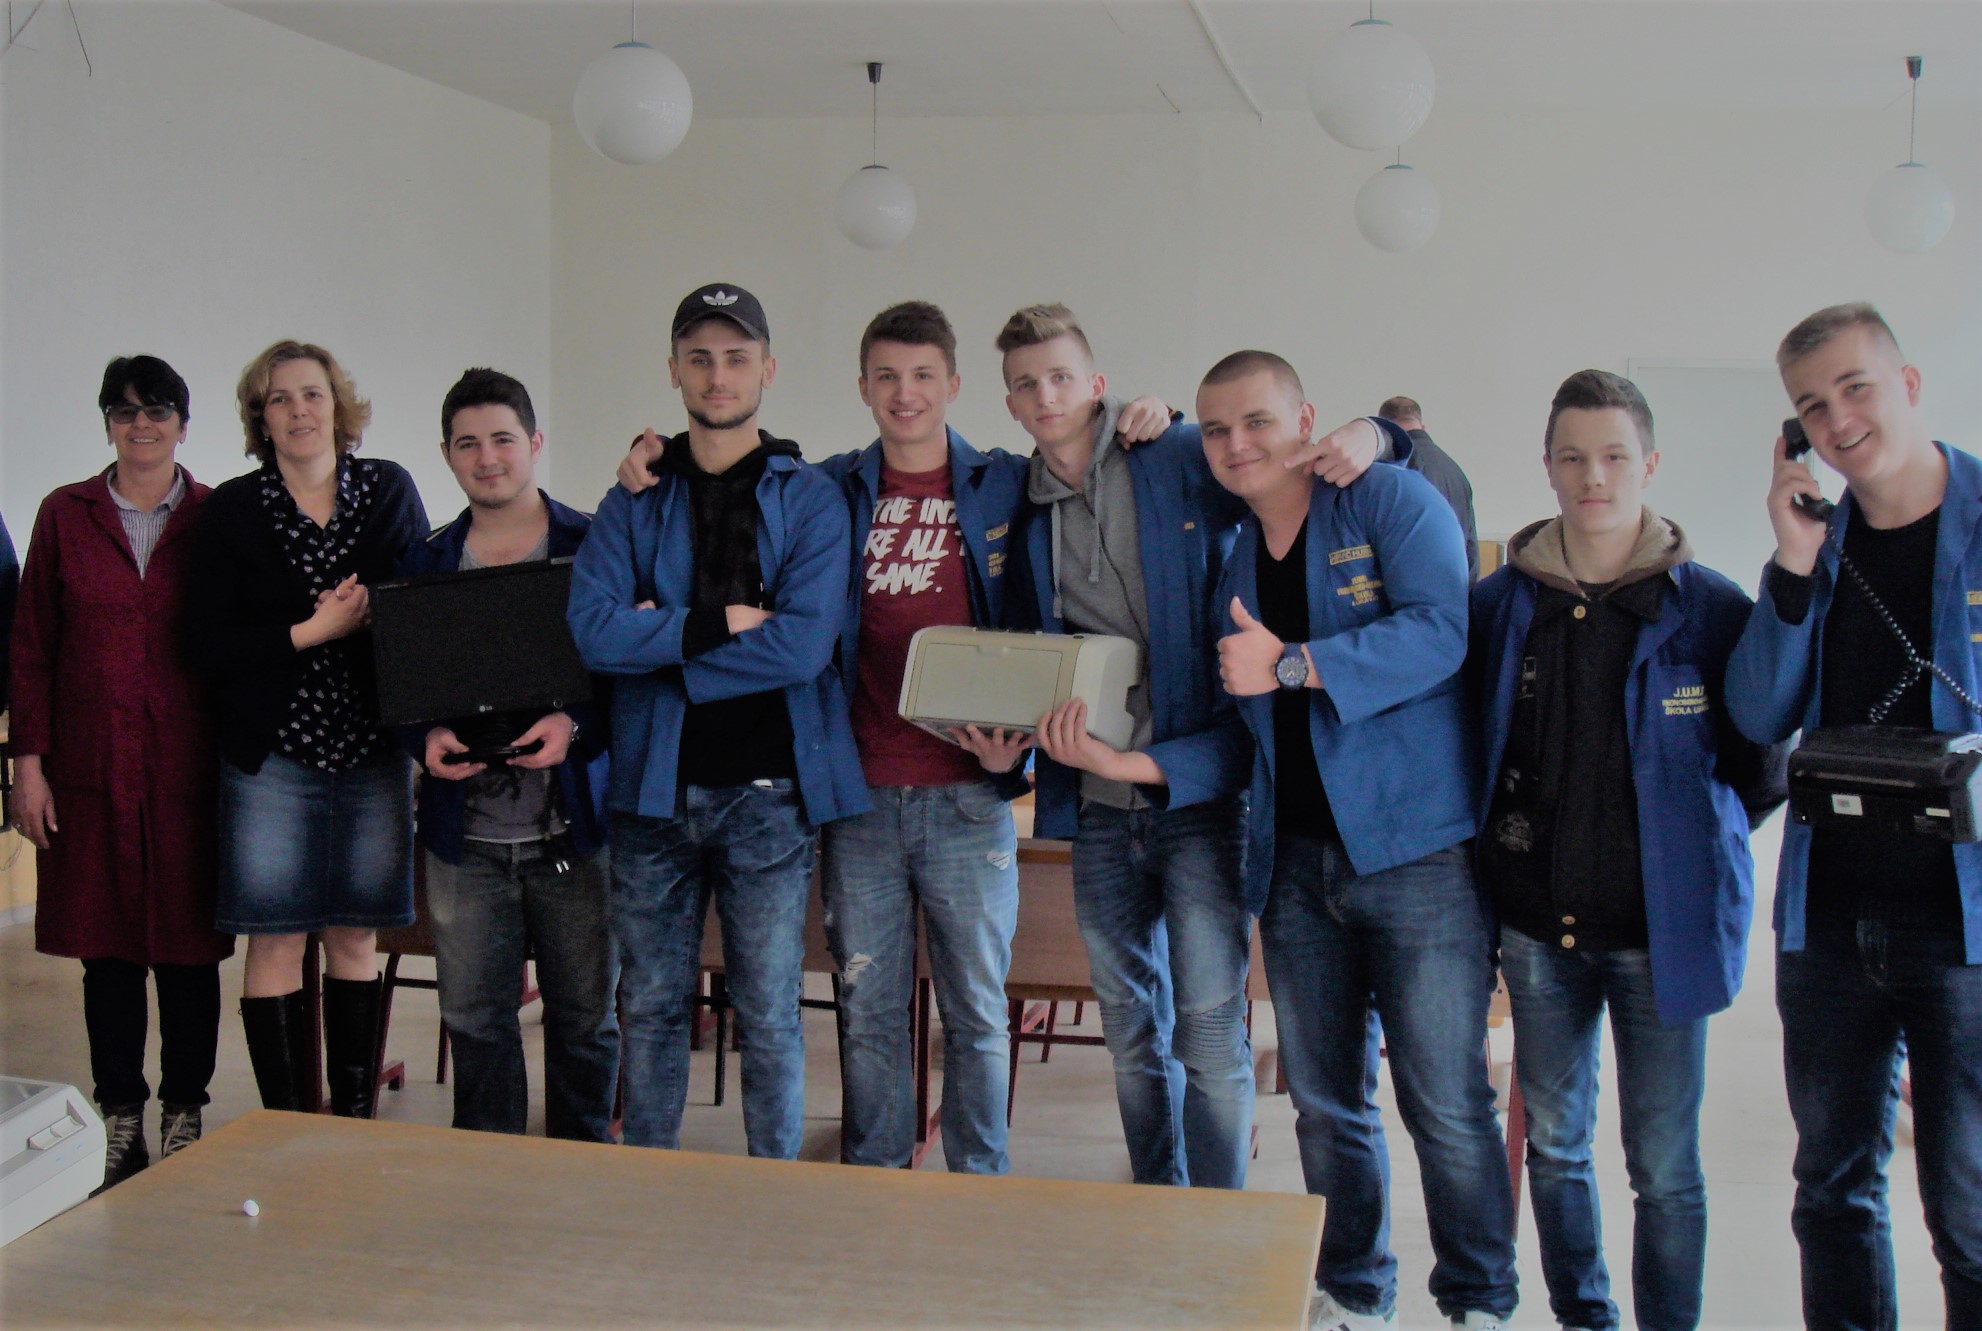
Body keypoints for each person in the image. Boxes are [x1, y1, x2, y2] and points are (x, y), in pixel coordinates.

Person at [1045, 350, 1517, 1329]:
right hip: (1294, 866)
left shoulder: (1385, 499)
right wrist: (1127, 762)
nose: (1234, 444)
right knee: (1325, 1104)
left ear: (1304, 419)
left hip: (1417, 857)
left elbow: (1442, 633)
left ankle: (1478, 1300)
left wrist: (1296, 662)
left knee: (1444, 1101)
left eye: (1256, 421)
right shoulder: (1233, 558)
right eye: (1215, 429)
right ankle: (1355, 1289)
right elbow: (1238, 730)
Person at [995, 304, 1402, 1192]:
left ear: (1097, 384)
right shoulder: (1016, 505)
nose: (1046, 395)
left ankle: (1216, 1218)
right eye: (1026, 383)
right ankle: (1160, 1199)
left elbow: (1300, 470)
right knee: (1129, 1028)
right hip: (1095, 804)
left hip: (1204, 794)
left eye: (1061, 376)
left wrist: (1380, 434)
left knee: (1211, 1028)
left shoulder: (1174, 452)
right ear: (1011, 402)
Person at [1471, 369, 1786, 1331]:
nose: (1593, 476)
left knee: (1665, 1164)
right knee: (1558, 1146)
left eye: (1613, 455)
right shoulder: (1500, 606)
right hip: (1539, 934)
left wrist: (1680, 849)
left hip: (1663, 938)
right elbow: (1475, 748)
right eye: (1572, 457)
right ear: (1548, 466)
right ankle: (1586, 1317)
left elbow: (1760, 768)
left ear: (1649, 464)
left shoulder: (1713, 609)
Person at [1727, 303, 1982, 1330]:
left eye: (1854, 387)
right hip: (1827, 923)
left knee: (1968, 1209)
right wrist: (1791, 559)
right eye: (1810, 405)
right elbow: (1757, 711)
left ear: (1908, 384)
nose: (1836, 420)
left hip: (1962, 927)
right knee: (1831, 1194)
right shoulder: (1818, 546)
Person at [568, 283, 864, 1157]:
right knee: (650, 1003)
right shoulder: (634, 496)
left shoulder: (810, 498)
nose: (717, 374)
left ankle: (770, 1184)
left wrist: (661, 651)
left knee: (768, 1009)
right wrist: (717, 623)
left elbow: (802, 648)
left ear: (768, 369)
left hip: (769, 793)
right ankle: (651, 1176)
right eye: (699, 358)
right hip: (651, 791)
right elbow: (591, 630)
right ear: (674, 371)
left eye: (737, 357)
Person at [185, 340, 428, 1119]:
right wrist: (309, 632)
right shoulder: (232, 509)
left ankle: (352, 1119)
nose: (298, 411)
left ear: (338, 405)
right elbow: (204, 645)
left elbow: (425, 605)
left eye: (312, 394)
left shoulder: (388, 489)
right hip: (272, 757)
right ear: (261, 419)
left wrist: (379, 617)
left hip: (371, 751)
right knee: (277, 938)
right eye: (279, 399)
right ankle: (284, 1126)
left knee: (355, 936)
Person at [8, 356, 233, 1190]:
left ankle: (184, 1112)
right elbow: (31, 648)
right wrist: (28, 766)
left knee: (188, 949)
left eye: (158, 409)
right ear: (107, 422)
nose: (142, 424)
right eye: (125, 410)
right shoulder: (64, 515)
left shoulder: (214, 516)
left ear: (183, 423)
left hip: (188, 767)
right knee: (105, 951)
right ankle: (122, 1117)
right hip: (89, 766)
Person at [399, 368, 618, 1141]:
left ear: (534, 442)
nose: (487, 458)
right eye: (468, 444)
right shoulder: (426, 561)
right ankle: (490, 1175)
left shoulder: (594, 545)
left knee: (585, 1018)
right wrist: (424, 739)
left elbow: (629, 678)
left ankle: (582, 1166)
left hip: (573, 833)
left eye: (502, 439)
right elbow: (401, 686)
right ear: (446, 455)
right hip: (466, 840)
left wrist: (575, 727)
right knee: (474, 1018)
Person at [1377, 395, 1479, 582]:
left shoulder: (1393, 468)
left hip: (1414, 587)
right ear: (1422, 426)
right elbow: (1471, 546)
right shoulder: (1454, 470)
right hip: (1457, 585)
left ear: (1383, 429)